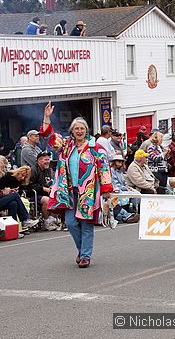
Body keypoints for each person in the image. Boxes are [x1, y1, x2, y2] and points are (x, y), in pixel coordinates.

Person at [41, 101, 113, 268]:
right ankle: (82, 250)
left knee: (86, 224)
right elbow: (49, 137)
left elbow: (104, 168)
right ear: (72, 131)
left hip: (87, 192)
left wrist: (106, 189)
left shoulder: (95, 147)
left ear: (86, 130)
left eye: (82, 128)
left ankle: (86, 256)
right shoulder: (66, 145)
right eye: (76, 128)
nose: (79, 131)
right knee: (72, 223)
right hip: (69, 191)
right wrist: (46, 117)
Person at [0, 156, 39, 230]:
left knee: (13, 204)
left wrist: (5, 191)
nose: (6, 169)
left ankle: (14, 229)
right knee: (15, 195)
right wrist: (3, 193)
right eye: (5, 167)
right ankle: (25, 220)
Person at [28, 151, 58, 231]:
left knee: (59, 197)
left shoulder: (48, 170)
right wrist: (43, 188)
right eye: (45, 160)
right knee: (47, 200)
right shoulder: (33, 170)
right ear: (39, 160)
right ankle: (46, 221)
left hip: (46, 193)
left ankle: (52, 219)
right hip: (33, 194)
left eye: (48, 159)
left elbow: (50, 181)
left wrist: (52, 186)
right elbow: (29, 185)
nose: (48, 162)